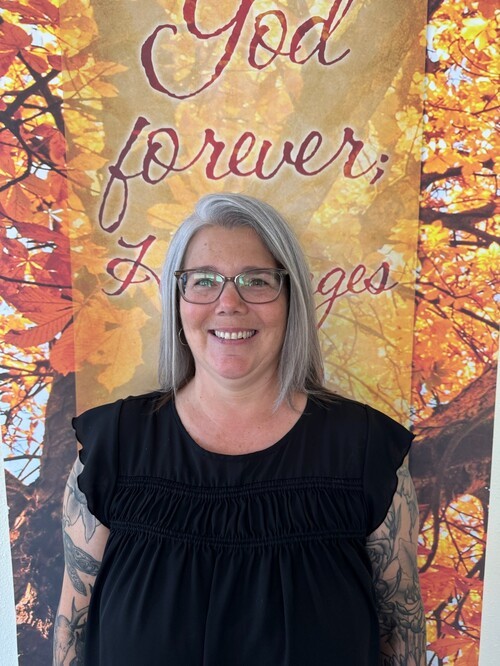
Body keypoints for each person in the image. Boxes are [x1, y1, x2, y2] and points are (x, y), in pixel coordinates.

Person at [53, 193, 426, 665]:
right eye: (203, 281)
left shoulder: (366, 452)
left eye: (256, 280)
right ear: (178, 301)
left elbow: (402, 635)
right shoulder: (112, 449)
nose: (229, 303)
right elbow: (72, 633)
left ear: (290, 299)